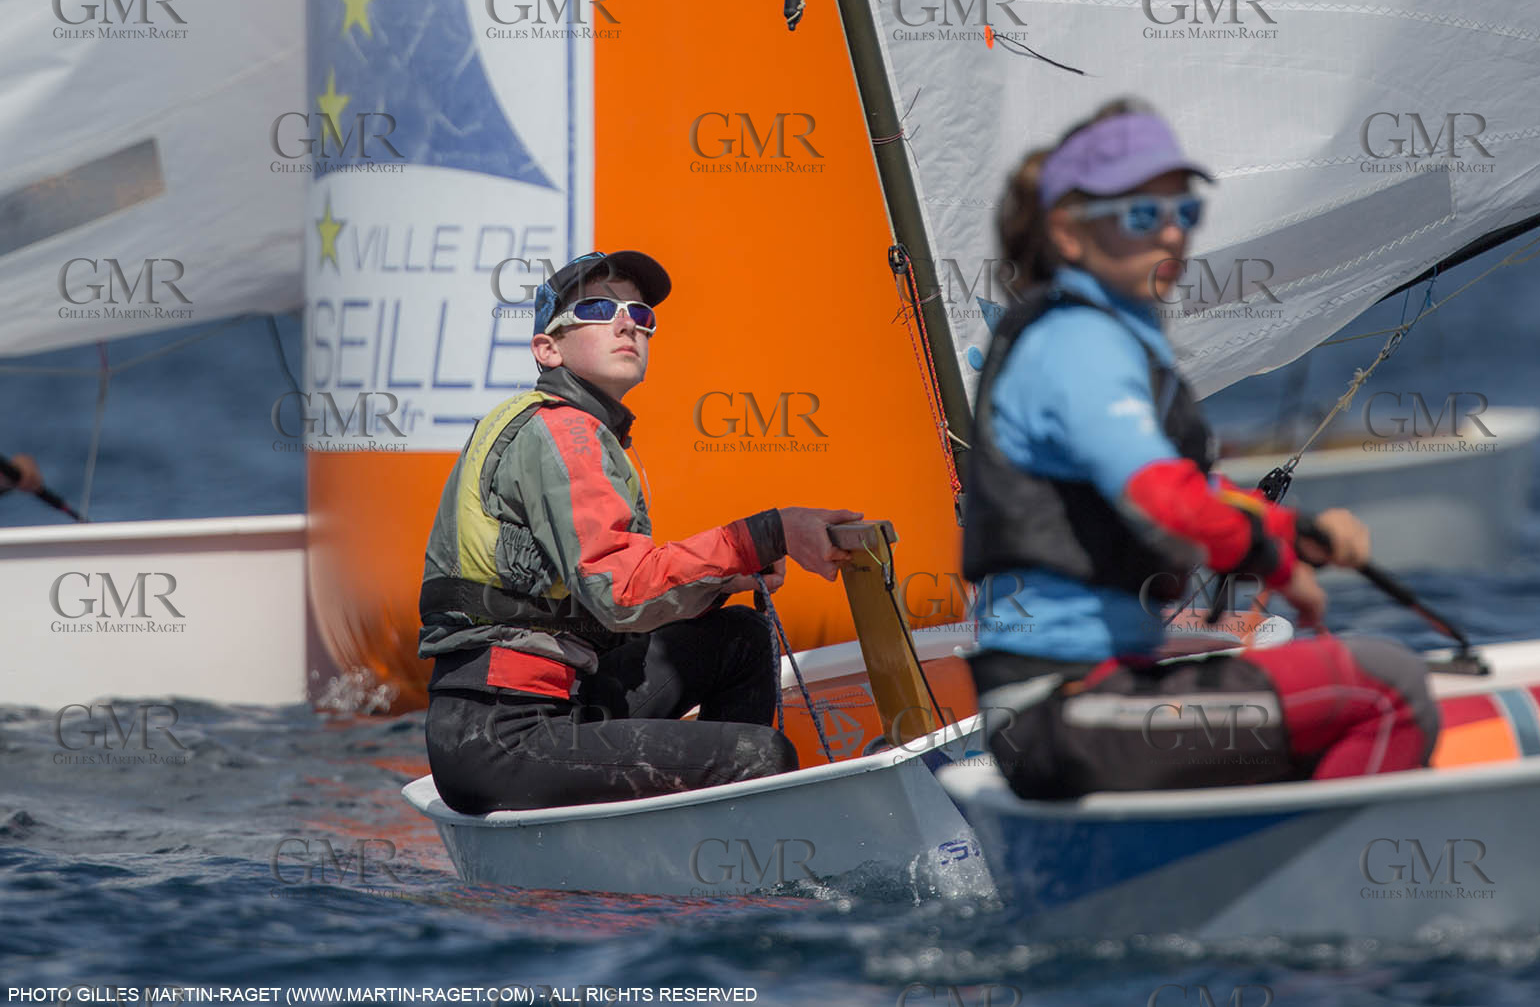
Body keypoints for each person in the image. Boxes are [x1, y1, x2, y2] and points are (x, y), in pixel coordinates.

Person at [962, 99, 1440, 799]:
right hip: (1066, 710)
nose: (1172, 235)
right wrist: (1272, 556)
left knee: (1336, 696)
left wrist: (1293, 532)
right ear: (1068, 230)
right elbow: (1164, 499)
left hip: (1087, 695)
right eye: (1140, 215)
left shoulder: (1099, 335)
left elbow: (1194, 493)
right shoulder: (1078, 346)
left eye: (1184, 212)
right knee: (1387, 687)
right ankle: (1327, 898)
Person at [418, 249, 862, 814]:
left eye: (640, 313)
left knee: (740, 638)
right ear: (547, 349)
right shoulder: (564, 433)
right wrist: (766, 534)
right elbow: (620, 592)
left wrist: (724, 579)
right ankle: (726, 865)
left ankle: (702, 830)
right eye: (600, 309)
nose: (628, 322)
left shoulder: (580, 431)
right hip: (504, 732)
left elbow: (611, 601)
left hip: (562, 701)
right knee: (760, 755)